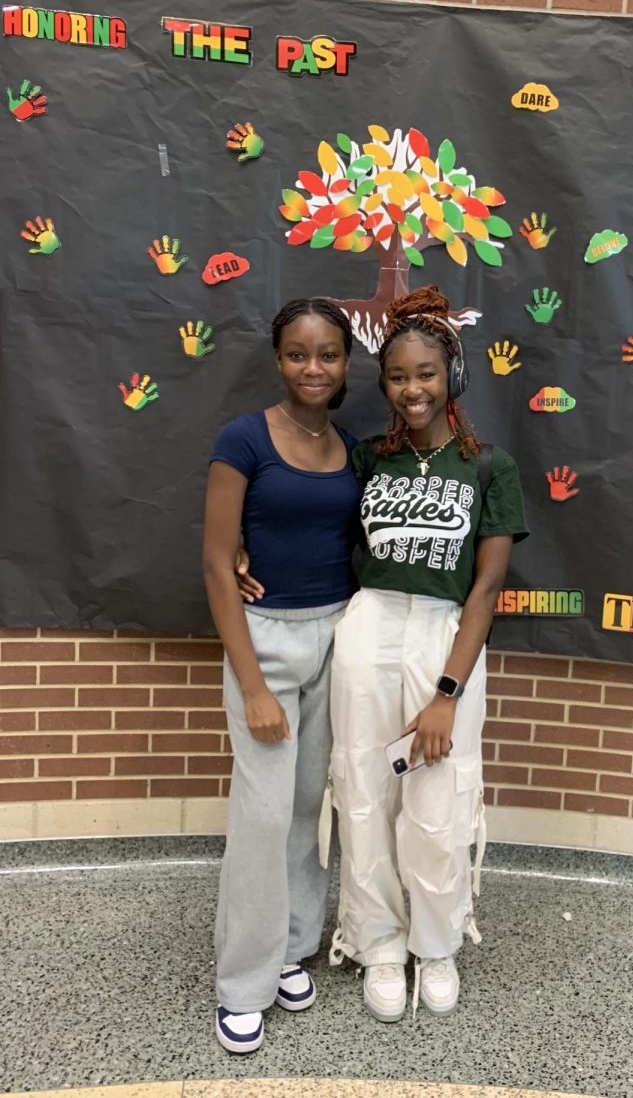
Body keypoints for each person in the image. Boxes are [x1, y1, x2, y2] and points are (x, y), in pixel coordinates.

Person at [325, 283, 528, 1022]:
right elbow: (316, 528)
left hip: (446, 635)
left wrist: (446, 691)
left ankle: (435, 943)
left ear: (454, 378)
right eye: (399, 376)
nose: (413, 388)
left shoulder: (488, 466)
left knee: (438, 795)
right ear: (385, 384)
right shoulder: (367, 459)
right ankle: (377, 943)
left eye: (427, 374)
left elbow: (487, 589)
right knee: (363, 786)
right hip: (369, 626)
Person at [202, 297, 359, 1054]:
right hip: (265, 643)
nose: (313, 368)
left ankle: (293, 945)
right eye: (298, 354)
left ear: (346, 362)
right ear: (278, 359)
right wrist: (254, 685)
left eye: (328, 353)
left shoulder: (351, 445)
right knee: (261, 819)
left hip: (338, 636)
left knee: (306, 808)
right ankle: (243, 981)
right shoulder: (243, 440)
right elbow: (214, 562)